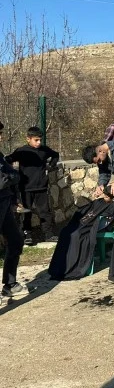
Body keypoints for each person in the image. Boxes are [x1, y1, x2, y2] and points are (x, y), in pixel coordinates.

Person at [48, 187, 114, 281]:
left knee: (76, 235)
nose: (104, 197)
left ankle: (72, 267)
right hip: (85, 224)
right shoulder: (101, 202)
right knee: (65, 232)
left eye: (106, 196)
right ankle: (59, 268)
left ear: (113, 198)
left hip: (94, 226)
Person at [6, 126, 59, 244]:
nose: (39, 142)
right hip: (25, 188)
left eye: (40, 139)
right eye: (36, 140)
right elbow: (8, 159)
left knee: (45, 211)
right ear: (28, 139)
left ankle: (49, 234)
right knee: (26, 212)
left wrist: (51, 165)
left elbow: (55, 155)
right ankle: (27, 235)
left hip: (41, 186)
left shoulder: (44, 150)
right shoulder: (21, 151)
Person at [0, 120, 26, 298]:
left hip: (4, 203)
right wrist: (11, 177)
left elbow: (11, 176)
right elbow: (5, 179)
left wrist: (15, 198)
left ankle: (9, 283)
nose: (1, 137)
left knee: (16, 240)